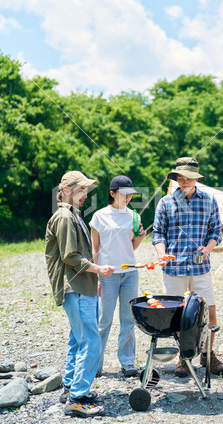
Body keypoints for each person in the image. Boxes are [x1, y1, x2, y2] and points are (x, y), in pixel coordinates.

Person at [45, 171, 116, 418]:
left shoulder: (73, 215)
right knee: (91, 340)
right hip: (74, 288)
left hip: (82, 286)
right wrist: (98, 269)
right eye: (80, 190)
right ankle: (77, 399)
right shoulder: (65, 217)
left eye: (86, 190)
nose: (85, 195)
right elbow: (70, 256)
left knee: (77, 339)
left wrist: (93, 276)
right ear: (65, 190)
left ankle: (69, 387)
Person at [152, 157, 223, 377]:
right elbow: (158, 234)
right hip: (173, 269)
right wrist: (162, 254)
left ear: (196, 179)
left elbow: (216, 232)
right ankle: (183, 358)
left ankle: (208, 354)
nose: (184, 182)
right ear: (176, 178)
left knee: (209, 312)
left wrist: (208, 249)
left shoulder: (209, 201)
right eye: (180, 178)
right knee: (177, 316)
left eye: (188, 178)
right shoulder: (165, 202)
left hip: (200, 267)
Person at [90, 175, 146, 377]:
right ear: (112, 193)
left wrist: (140, 238)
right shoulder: (99, 216)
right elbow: (94, 248)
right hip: (108, 274)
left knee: (128, 319)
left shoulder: (134, 216)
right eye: (123, 194)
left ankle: (127, 362)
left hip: (130, 272)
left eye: (130, 194)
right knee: (104, 320)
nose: (128, 197)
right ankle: (95, 364)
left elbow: (132, 247)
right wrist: (96, 274)